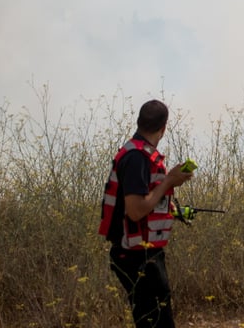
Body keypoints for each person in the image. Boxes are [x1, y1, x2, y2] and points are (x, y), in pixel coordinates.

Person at [98, 99, 194, 328]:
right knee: (156, 322)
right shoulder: (136, 158)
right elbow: (135, 210)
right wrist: (170, 180)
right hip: (134, 255)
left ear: (139, 122)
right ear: (164, 128)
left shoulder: (142, 154)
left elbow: (145, 201)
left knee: (155, 319)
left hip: (144, 252)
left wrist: (172, 209)